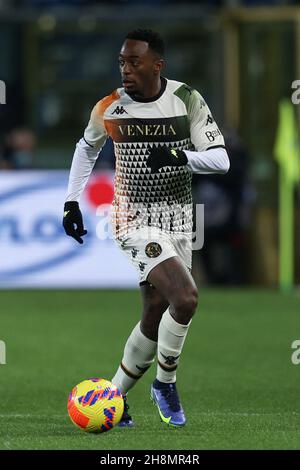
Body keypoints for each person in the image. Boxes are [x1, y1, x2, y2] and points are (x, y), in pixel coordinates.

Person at [63, 29, 229, 428]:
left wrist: (176, 155)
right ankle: (165, 383)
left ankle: (113, 400)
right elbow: (86, 147)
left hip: (178, 219)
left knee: (156, 312)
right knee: (186, 298)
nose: (126, 70)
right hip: (131, 218)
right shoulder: (109, 108)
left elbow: (220, 160)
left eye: (135, 62)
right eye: (122, 62)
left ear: (158, 65)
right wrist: (71, 200)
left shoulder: (186, 99)